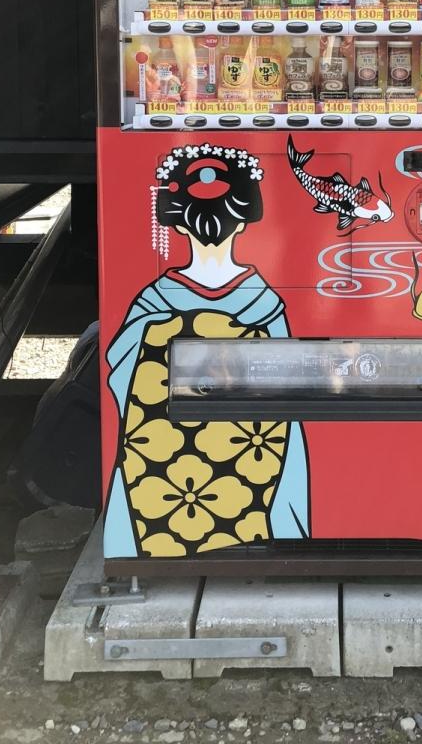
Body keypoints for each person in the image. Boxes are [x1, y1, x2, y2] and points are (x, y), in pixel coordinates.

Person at [103, 144, 310, 558]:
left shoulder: (153, 301)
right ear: (246, 220)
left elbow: (119, 369)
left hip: (161, 475)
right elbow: (292, 394)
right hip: (253, 470)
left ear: (177, 224)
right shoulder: (265, 302)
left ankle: (144, 552)